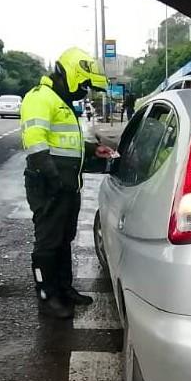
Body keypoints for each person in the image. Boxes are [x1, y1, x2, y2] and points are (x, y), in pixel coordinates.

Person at [20, 47, 116, 319]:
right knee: (48, 244)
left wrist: (91, 150)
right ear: (72, 75)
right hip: (49, 186)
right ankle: (47, 294)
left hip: (66, 185)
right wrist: (54, 180)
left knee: (64, 239)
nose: (85, 91)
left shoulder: (61, 102)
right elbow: (36, 143)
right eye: (84, 84)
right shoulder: (41, 98)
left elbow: (66, 145)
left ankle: (63, 288)